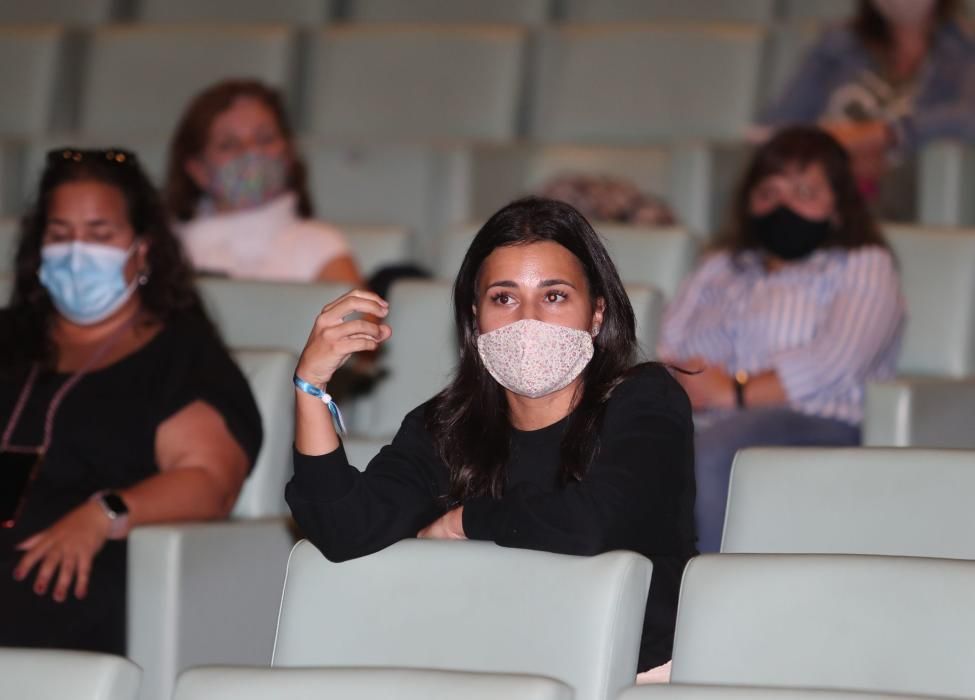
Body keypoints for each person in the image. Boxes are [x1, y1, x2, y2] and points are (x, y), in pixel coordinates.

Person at [286, 197, 696, 680]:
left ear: (597, 314)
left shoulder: (645, 400)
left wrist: (466, 521)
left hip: (634, 679)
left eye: (555, 295)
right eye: (504, 298)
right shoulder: (446, 425)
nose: (528, 319)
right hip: (490, 671)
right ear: (475, 318)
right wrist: (310, 387)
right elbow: (343, 530)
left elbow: (595, 527)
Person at [0, 148, 262, 654]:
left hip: (73, 576)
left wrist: (105, 512)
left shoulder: (179, 356)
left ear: (142, 251)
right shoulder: (9, 337)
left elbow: (210, 481)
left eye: (100, 235)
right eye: (59, 235)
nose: (77, 253)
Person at [658, 127, 905, 553]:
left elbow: (836, 360)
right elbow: (672, 346)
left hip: (817, 420)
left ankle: (711, 598)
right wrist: (691, 384)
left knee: (717, 452)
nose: (782, 206)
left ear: (839, 208)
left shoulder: (864, 264)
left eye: (804, 192)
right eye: (768, 193)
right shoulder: (721, 266)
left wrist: (734, 392)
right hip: (707, 414)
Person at [755, 0, 975, 216]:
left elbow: (967, 118)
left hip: (909, 192)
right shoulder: (837, 44)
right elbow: (778, 127)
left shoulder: (964, 48)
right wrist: (840, 148)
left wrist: (891, 133)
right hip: (824, 179)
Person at [165, 79, 362, 285]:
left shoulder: (321, 245)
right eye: (229, 145)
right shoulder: (163, 251)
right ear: (198, 169)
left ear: (288, 153)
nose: (251, 151)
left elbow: (361, 316)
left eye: (265, 139)